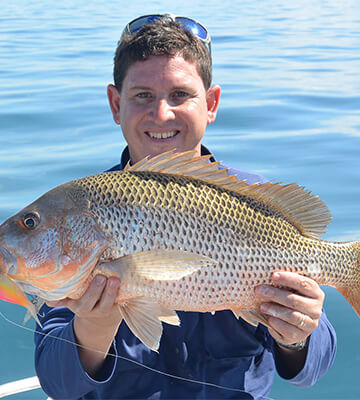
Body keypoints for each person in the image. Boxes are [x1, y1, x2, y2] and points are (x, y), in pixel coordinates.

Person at [35, 14, 336, 399]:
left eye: (180, 95)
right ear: (115, 104)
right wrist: (93, 329)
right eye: (142, 95)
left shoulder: (256, 202)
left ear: (210, 104)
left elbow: (313, 368)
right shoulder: (82, 208)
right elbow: (56, 383)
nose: (161, 114)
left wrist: (297, 337)